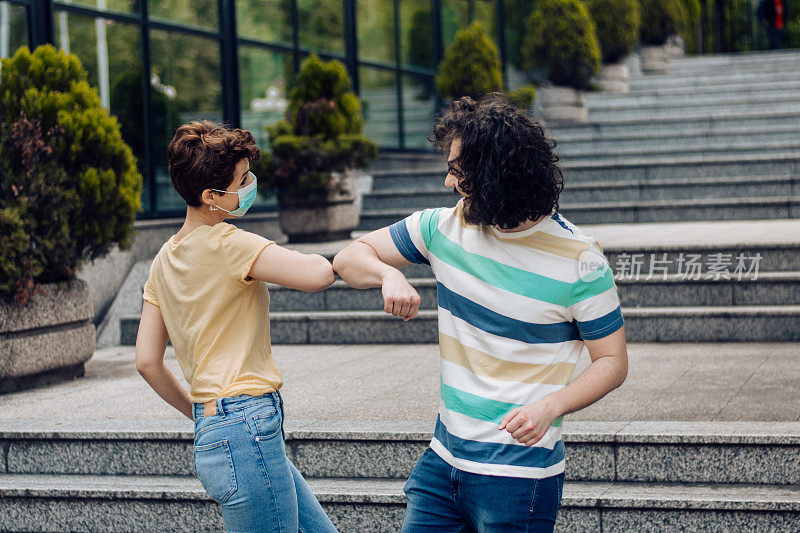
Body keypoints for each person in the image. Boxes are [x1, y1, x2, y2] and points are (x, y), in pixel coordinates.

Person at [333, 94, 628, 532]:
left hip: (518, 477)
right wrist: (386, 276)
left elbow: (612, 362)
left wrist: (551, 406)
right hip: (442, 461)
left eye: (459, 172)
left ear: (496, 178)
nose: (448, 183)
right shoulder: (442, 227)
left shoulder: (580, 260)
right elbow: (347, 257)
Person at [134, 121, 338, 533]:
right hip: (247, 429)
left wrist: (202, 414)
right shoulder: (228, 242)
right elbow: (317, 274)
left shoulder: (162, 261)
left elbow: (146, 362)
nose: (250, 185)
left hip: (220, 433)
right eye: (242, 180)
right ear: (211, 197)